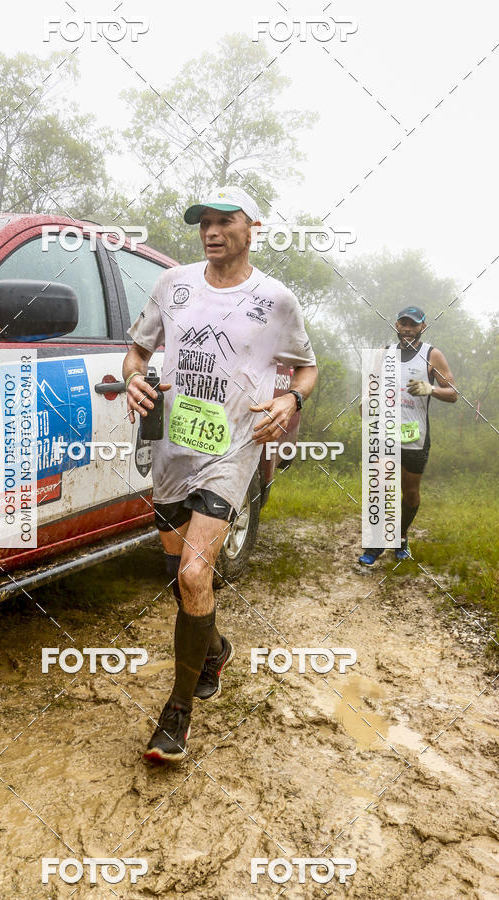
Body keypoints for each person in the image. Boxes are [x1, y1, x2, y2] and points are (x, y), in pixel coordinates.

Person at [122, 186, 318, 762]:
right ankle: (216, 648)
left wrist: (291, 404)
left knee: (193, 571)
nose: (211, 230)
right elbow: (137, 352)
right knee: (177, 576)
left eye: (223, 221)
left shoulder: (276, 300)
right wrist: (134, 377)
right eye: (203, 222)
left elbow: (306, 370)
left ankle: (176, 715)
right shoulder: (173, 285)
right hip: (173, 446)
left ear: (251, 226)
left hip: (234, 448)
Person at [359, 305, 457, 566]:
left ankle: (401, 536)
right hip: (385, 432)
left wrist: (430, 389)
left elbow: (454, 394)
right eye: (403, 324)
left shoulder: (432, 355)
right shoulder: (384, 354)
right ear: (396, 326)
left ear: (423, 327)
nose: (408, 329)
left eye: (413, 325)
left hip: (416, 435)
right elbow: (371, 388)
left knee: (410, 492)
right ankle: (377, 544)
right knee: (380, 486)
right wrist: (366, 403)